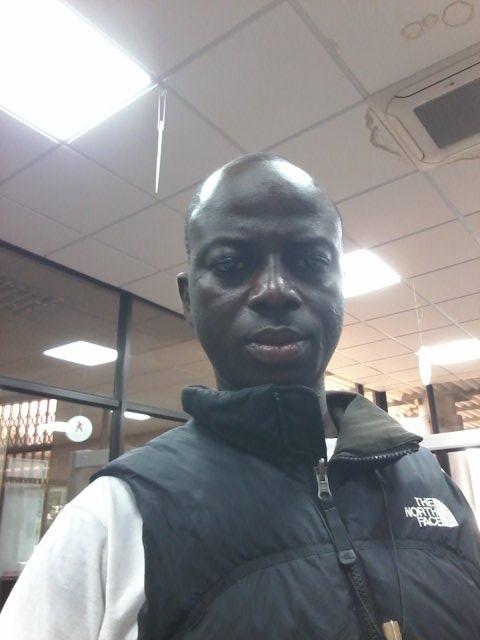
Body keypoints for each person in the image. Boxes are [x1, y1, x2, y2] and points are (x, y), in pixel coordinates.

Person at [1, 153, 479, 640]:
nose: (275, 290)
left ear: (340, 285)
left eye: (311, 262)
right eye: (230, 264)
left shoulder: (426, 480)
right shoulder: (116, 515)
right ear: (189, 300)